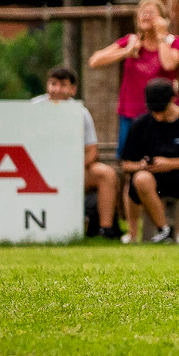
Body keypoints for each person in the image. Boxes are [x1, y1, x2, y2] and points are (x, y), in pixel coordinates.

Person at [119, 78, 179, 245]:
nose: (157, 115)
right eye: (153, 110)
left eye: (161, 110)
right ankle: (164, 230)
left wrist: (170, 163)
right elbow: (126, 164)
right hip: (153, 182)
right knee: (140, 178)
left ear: (173, 100)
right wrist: (142, 166)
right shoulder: (140, 125)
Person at [87, 0, 179, 158]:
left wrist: (161, 36)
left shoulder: (173, 42)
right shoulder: (131, 40)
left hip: (162, 113)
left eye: (151, 13)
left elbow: (169, 64)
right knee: (128, 159)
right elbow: (95, 61)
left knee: (163, 157)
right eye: (142, 13)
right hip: (131, 112)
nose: (145, 16)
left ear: (162, 18)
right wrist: (126, 52)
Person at [34, 65, 121, 239]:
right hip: (35, 171)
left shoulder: (81, 113)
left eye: (63, 85)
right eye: (53, 84)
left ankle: (105, 229)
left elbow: (91, 151)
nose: (57, 89)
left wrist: (72, 169)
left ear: (73, 89)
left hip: (73, 170)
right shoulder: (33, 107)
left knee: (107, 174)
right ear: (47, 86)